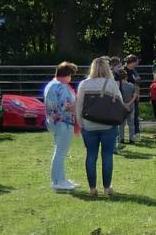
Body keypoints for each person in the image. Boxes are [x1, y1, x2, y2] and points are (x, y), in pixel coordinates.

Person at [76, 55, 127, 197]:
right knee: (107, 156)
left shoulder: (84, 84)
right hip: (108, 126)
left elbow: (79, 106)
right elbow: (120, 103)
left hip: (89, 125)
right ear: (107, 68)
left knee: (91, 155)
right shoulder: (111, 84)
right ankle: (107, 188)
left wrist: (81, 123)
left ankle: (92, 189)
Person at [43, 61, 82, 191]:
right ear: (67, 75)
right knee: (61, 152)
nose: (71, 78)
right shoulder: (62, 87)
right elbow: (67, 106)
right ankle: (58, 181)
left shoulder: (51, 84)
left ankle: (60, 179)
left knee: (59, 151)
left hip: (54, 122)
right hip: (64, 122)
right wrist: (80, 103)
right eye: (71, 75)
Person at [120, 55, 143, 145]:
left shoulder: (134, 71)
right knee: (122, 120)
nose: (137, 63)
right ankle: (121, 138)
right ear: (132, 62)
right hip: (124, 98)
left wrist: (138, 94)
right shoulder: (123, 70)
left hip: (133, 97)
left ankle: (135, 134)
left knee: (134, 116)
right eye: (136, 61)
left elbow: (137, 83)